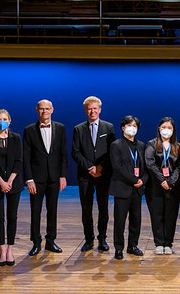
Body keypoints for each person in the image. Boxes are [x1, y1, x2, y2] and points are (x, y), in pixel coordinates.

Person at [23, 99, 68, 256]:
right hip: (36, 179)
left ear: (52, 110)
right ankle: (36, 242)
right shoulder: (29, 130)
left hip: (54, 177)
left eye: (47, 109)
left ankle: (51, 241)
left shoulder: (60, 128)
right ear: (37, 110)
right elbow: (26, 157)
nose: (44, 111)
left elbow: (63, 154)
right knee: (35, 211)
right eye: (41, 109)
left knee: (52, 210)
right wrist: (29, 179)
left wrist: (63, 176)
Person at [71, 96, 115, 252]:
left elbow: (112, 151)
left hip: (103, 174)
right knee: (86, 208)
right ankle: (88, 239)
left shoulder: (108, 128)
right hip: (85, 175)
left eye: (95, 108)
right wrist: (90, 167)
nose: (92, 111)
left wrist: (100, 168)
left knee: (103, 207)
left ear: (100, 109)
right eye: (89, 109)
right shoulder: (78, 129)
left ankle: (102, 238)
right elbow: (75, 152)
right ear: (85, 110)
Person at [0, 109, 24, 267]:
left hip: (14, 182)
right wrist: (1, 182)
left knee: (12, 217)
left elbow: (18, 161)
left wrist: (10, 181)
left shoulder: (16, 138)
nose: (2, 121)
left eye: (5, 119)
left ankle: (10, 250)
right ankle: (1, 250)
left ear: (10, 121)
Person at [109, 116, 148, 259]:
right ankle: (118, 248)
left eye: (135, 126)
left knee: (136, 219)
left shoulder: (141, 146)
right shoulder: (116, 145)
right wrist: (134, 179)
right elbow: (117, 167)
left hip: (137, 189)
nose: (132, 128)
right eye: (129, 125)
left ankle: (133, 245)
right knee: (119, 220)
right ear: (123, 127)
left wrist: (142, 180)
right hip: (122, 187)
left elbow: (145, 168)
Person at [144, 118, 180, 255]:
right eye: (164, 127)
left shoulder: (178, 146)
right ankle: (159, 243)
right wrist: (162, 180)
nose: (166, 130)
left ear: (173, 130)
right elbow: (150, 163)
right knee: (157, 215)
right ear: (159, 128)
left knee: (171, 216)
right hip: (155, 186)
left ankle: (168, 243)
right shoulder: (152, 144)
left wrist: (170, 181)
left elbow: (179, 167)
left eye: (169, 127)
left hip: (173, 187)